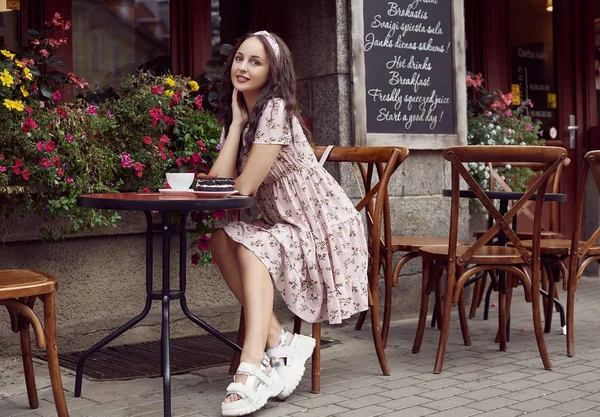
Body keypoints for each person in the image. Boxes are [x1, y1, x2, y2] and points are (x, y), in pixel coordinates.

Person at [206, 30, 369, 417]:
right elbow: (216, 184)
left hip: (322, 226)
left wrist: (240, 127)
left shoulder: (276, 108)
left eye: (255, 62)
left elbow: (242, 186)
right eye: (240, 58)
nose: (243, 67)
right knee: (221, 240)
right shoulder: (247, 117)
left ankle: (250, 370)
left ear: (273, 71)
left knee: (250, 245)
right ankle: (280, 341)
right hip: (288, 222)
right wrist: (234, 126)